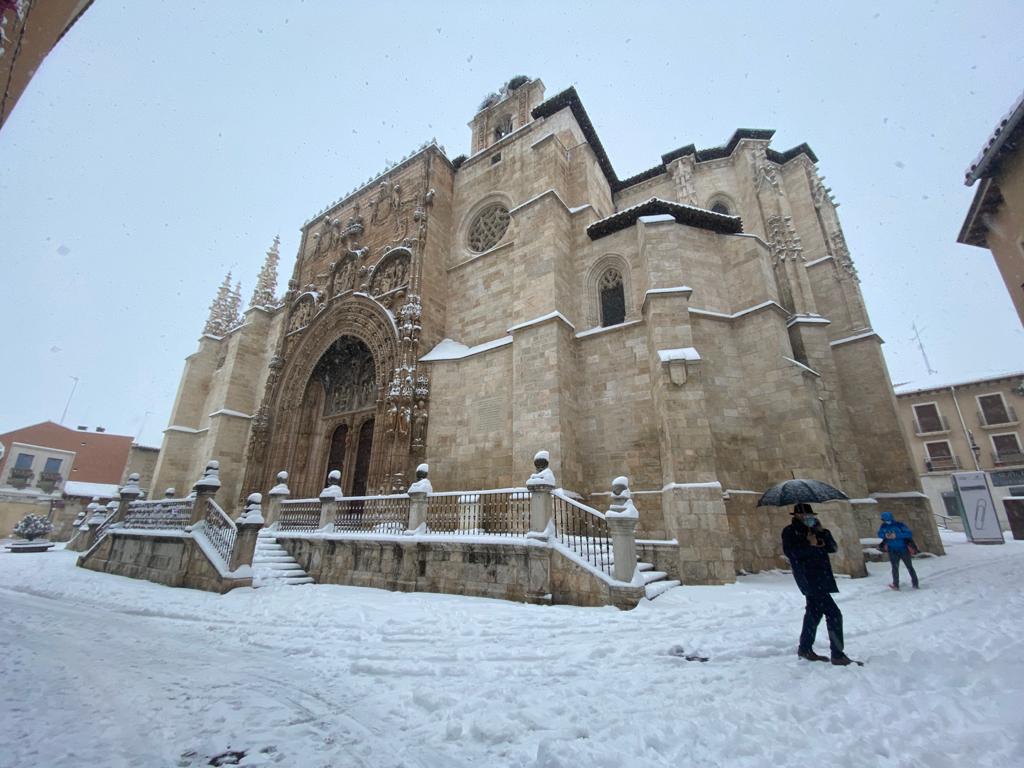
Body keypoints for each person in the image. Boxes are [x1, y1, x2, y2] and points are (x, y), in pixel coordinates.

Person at [782, 502, 856, 666]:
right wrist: (810, 544)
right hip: (808, 578)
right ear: (796, 516)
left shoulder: (818, 530)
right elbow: (791, 553)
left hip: (822, 577)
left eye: (811, 516)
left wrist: (822, 533)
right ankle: (837, 654)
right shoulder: (790, 532)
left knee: (813, 613)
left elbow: (832, 548)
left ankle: (805, 648)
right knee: (834, 614)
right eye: (805, 516)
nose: (808, 518)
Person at [878, 511, 919, 590]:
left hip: (903, 548)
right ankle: (895, 584)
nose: (885, 521)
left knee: (909, 566)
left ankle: (915, 583)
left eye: (886, 519)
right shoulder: (883, 526)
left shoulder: (899, 525)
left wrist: (896, 535)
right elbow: (879, 534)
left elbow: (908, 534)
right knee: (894, 567)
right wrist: (885, 535)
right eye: (884, 519)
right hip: (892, 549)